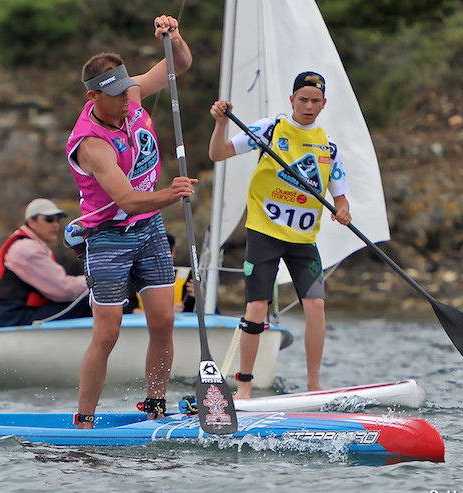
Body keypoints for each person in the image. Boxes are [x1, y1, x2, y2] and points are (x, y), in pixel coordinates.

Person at [65, 15, 196, 428]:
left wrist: (172, 37)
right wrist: (171, 195)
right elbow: (127, 199)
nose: (127, 99)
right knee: (108, 332)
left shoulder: (132, 95)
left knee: (164, 320)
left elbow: (179, 65)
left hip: (150, 231)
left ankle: (156, 406)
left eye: (127, 89)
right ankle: (84, 420)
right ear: (94, 96)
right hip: (107, 237)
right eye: (117, 94)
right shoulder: (90, 143)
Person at [208, 71, 352, 400]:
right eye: (303, 99)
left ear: (324, 104)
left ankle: (314, 384)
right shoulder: (270, 129)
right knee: (257, 307)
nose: (309, 106)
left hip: (303, 242)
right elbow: (217, 154)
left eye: (316, 101)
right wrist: (219, 124)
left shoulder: (328, 148)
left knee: (316, 306)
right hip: (264, 233)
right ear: (292, 100)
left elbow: (342, 200)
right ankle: (244, 386)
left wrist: (343, 211)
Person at [0, 198, 92, 328]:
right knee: (91, 299)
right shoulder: (27, 249)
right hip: (15, 318)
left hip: (9, 316)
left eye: (58, 219)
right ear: (32, 222)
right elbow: (63, 290)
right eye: (49, 219)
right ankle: (103, 339)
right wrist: (95, 281)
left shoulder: (27, 244)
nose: (55, 224)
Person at [125, 233, 194, 314]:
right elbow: (126, 309)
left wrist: (201, 297)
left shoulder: (189, 277)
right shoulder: (131, 278)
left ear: (173, 253)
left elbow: (195, 308)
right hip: (143, 324)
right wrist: (164, 312)